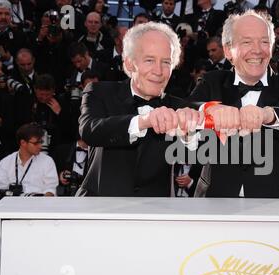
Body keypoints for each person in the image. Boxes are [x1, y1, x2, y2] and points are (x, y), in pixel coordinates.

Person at [189, 10, 279, 198]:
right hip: (220, 201)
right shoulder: (213, 81)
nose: (257, 49)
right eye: (246, 42)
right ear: (228, 50)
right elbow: (186, 110)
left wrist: (270, 115)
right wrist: (209, 110)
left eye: (264, 41)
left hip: (275, 204)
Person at [77, 22, 201, 196]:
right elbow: (90, 131)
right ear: (129, 64)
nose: (158, 71)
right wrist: (144, 121)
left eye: (166, 62)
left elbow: (192, 157)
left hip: (155, 214)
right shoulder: (100, 92)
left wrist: (189, 134)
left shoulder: (180, 107)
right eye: (149, 60)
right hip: (99, 209)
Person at [0, 122, 58, 197]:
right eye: (36, 143)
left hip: (40, 205)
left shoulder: (47, 161)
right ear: (23, 143)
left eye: (41, 142)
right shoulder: (5, 163)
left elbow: (50, 190)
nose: (40, 146)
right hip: (12, 206)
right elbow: (1, 190)